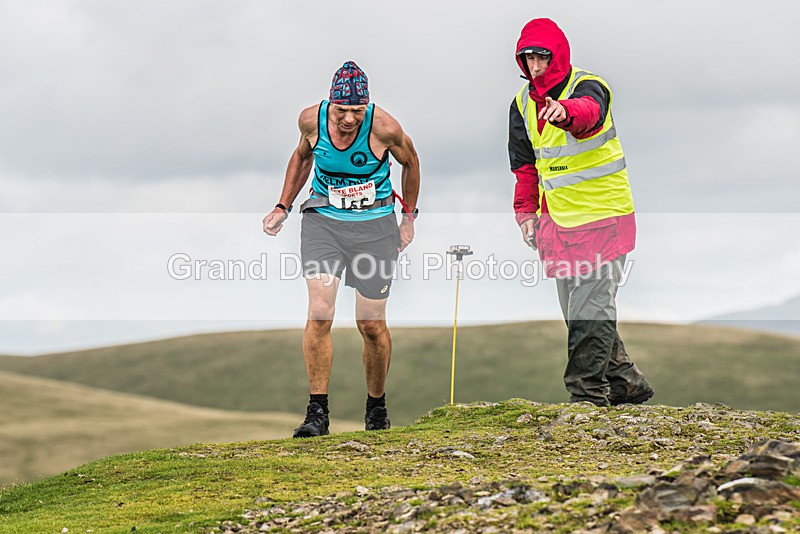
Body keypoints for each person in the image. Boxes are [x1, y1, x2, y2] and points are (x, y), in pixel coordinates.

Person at [262, 61, 420, 437]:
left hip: (375, 229)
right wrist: (282, 206)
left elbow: (411, 163)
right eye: (341, 110)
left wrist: (408, 216)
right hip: (323, 223)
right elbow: (302, 157)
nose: (348, 119)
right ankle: (317, 412)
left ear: (367, 106)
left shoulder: (385, 128)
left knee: (370, 324)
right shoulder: (310, 122)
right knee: (320, 311)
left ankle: (376, 408)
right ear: (329, 102)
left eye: (356, 110)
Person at [508, 18, 653, 407]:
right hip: (558, 221)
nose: (535, 67)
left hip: (605, 215)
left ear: (558, 55)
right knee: (577, 312)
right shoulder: (521, 104)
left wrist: (566, 114)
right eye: (528, 59)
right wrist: (526, 214)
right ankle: (625, 382)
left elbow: (589, 112)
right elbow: (525, 168)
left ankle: (586, 395)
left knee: (591, 309)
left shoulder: (589, 86)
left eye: (541, 57)